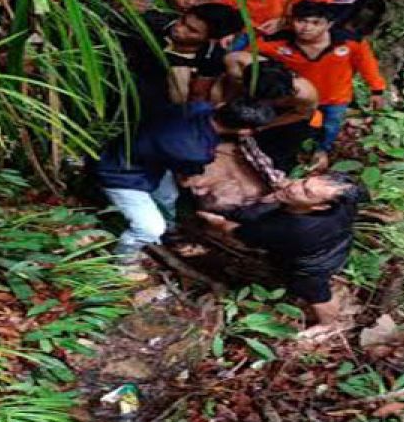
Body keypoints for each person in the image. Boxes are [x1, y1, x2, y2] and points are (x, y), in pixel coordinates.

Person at [94, 98, 276, 260]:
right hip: (122, 176)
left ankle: (169, 230)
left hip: (126, 151)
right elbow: (186, 180)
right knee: (150, 228)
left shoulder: (196, 107)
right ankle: (124, 259)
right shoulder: (196, 151)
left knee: (168, 197)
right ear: (244, 131)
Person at [197, 173, 367, 334]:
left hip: (312, 265)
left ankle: (329, 324)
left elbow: (236, 232)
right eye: (303, 181)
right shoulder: (343, 205)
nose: (294, 187)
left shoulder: (292, 228)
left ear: (320, 206)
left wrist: (218, 223)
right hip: (336, 245)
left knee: (316, 293)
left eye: (306, 192)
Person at [257, 1, 386, 169]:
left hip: (335, 97)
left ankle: (321, 151)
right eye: (301, 21)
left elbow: (368, 65)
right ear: (291, 21)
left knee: (330, 126)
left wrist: (377, 90)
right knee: (290, 127)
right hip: (296, 97)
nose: (307, 28)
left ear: (329, 24)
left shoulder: (350, 43)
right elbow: (246, 55)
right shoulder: (277, 42)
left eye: (316, 23)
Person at [124, 2, 245, 111]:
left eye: (191, 30)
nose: (179, 28)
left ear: (211, 38)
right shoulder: (152, 23)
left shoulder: (212, 56)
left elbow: (199, 93)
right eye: (182, 21)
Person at [215, 56, 319, 172]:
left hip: (282, 114)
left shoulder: (305, 94)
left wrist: (263, 127)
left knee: (280, 148)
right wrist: (223, 104)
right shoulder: (237, 61)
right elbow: (226, 85)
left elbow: (301, 115)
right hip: (241, 99)